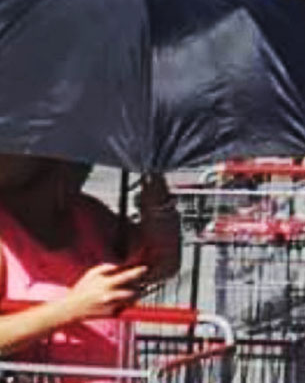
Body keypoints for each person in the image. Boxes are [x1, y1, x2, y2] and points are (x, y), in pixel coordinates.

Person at [0, 156, 181, 369]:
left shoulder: (87, 214)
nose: (85, 170)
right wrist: (72, 308)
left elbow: (160, 263)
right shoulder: (6, 234)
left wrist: (158, 204)